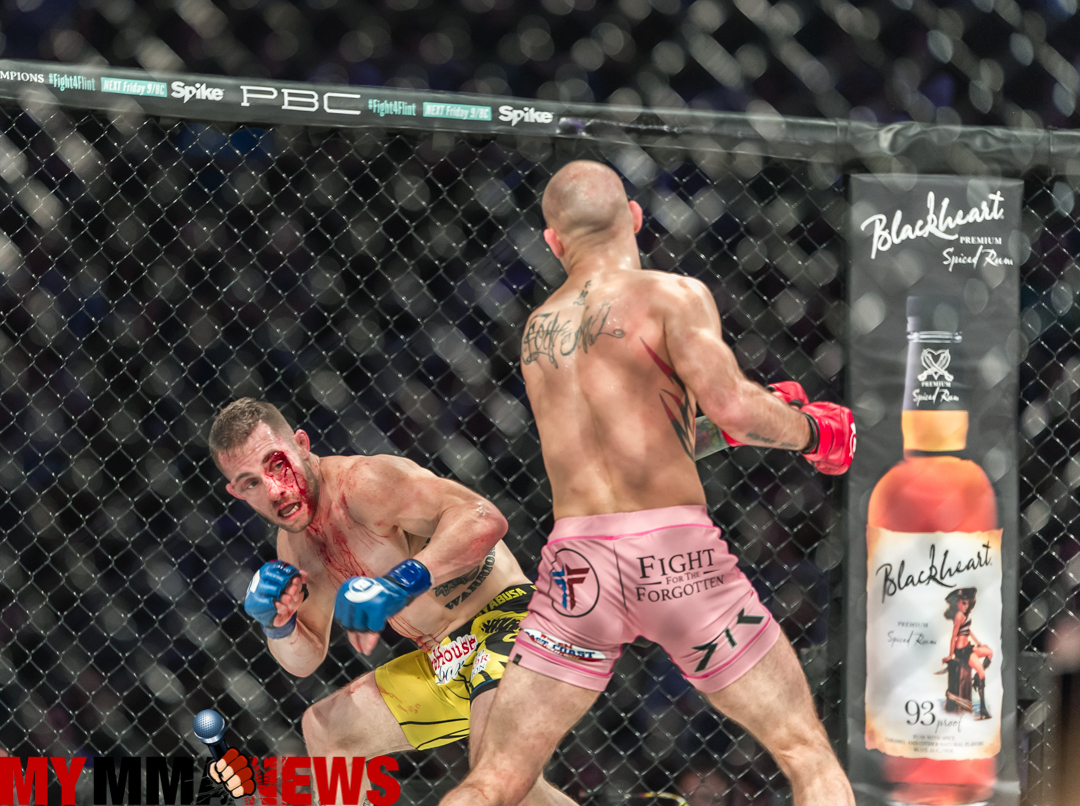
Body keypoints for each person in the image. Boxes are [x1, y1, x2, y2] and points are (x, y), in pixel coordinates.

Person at [434, 159, 859, 806]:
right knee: (804, 751)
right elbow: (734, 406)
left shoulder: (537, 331)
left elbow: (648, 436)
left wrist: (732, 426)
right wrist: (811, 432)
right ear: (634, 215)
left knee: (495, 780)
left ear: (552, 241)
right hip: (675, 554)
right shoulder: (672, 295)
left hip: (578, 568)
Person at [204, 398, 575, 805]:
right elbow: (303, 661)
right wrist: (278, 625)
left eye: (277, 464)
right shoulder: (295, 548)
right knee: (328, 729)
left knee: (496, 777)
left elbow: (483, 519)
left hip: (510, 623)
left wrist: (400, 583)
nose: (274, 490)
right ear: (235, 492)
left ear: (302, 445)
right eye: (251, 483)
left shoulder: (364, 483)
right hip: (442, 659)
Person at [941, 588, 993, 719]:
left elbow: (968, 631)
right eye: (963, 603)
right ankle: (983, 709)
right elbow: (954, 636)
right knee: (981, 672)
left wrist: (978, 643)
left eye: (967, 603)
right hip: (962, 652)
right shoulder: (959, 615)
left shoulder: (964, 615)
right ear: (958, 602)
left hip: (968, 648)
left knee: (989, 652)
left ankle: (976, 679)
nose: (965, 606)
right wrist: (950, 654)